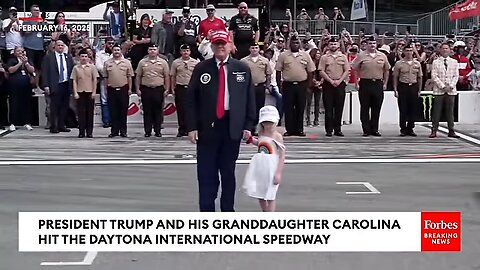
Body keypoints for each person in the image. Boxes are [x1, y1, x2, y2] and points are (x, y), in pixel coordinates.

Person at [185, 30, 256, 212]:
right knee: (206, 173)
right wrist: (191, 126)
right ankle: (207, 210)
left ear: (230, 45)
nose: (220, 47)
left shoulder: (242, 68)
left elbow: (249, 100)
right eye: (217, 44)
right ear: (212, 46)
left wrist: (249, 126)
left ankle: (227, 211)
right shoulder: (202, 68)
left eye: (223, 43)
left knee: (228, 172)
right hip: (208, 127)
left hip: (232, 127)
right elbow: (191, 99)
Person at [243, 105, 285, 212]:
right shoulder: (261, 133)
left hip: (271, 166)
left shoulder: (277, 136)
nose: (268, 125)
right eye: (266, 122)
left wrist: (278, 173)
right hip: (260, 165)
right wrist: (251, 140)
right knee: (260, 192)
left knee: (271, 195)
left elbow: (282, 155)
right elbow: (261, 144)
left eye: (271, 122)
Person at [275, 34, 316, 137]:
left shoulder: (305, 55)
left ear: (300, 44)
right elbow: (278, 71)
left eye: (297, 42)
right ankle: (289, 130)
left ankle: (299, 129)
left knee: (300, 107)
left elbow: (311, 71)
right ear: (290, 44)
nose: (295, 44)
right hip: (288, 85)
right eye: (293, 42)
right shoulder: (283, 55)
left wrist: (309, 85)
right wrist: (279, 85)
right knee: (288, 108)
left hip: (301, 84)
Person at [352, 36, 390, 137]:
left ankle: (375, 129)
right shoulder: (361, 55)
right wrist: (356, 82)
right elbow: (355, 69)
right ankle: (366, 129)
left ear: (376, 44)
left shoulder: (382, 56)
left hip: (377, 83)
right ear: (367, 44)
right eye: (370, 43)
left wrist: (385, 83)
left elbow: (386, 70)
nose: (372, 45)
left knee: (376, 107)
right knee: (364, 107)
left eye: (373, 43)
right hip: (365, 83)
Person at [136, 44, 170, 138]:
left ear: (157, 51)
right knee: (147, 111)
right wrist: (137, 89)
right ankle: (147, 131)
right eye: (150, 49)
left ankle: (157, 130)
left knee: (158, 111)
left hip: (158, 89)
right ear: (147, 51)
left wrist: (167, 89)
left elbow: (167, 76)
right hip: (146, 89)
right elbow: (138, 76)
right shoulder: (142, 62)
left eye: (154, 49)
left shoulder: (163, 62)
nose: (152, 51)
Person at [318, 37, 350, 137]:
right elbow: (321, 71)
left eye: (335, 44)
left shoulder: (343, 57)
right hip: (328, 84)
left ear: (339, 45)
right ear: (328, 45)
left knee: (339, 108)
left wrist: (340, 81)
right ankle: (329, 130)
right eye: (331, 44)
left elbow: (346, 70)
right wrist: (331, 81)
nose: (333, 46)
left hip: (340, 84)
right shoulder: (324, 57)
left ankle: (338, 129)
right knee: (328, 108)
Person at [41, 40, 75, 134]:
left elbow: (72, 71)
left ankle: (61, 125)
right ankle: (53, 126)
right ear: (54, 47)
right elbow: (45, 72)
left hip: (65, 84)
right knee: (54, 107)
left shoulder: (68, 57)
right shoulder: (48, 57)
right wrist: (46, 85)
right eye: (58, 45)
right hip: (54, 85)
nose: (60, 47)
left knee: (64, 106)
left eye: (62, 45)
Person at [430, 43, 460, 139]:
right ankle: (434, 130)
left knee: (450, 112)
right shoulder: (436, 62)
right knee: (436, 111)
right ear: (440, 50)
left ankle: (451, 130)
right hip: (439, 90)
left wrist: (451, 86)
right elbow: (434, 76)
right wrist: (442, 86)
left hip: (451, 90)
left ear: (449, 50)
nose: (445, 50)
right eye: (443, 48)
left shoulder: (454, 62)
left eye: (446, 48)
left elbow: (456, 75)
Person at [241, 42, 272, 134]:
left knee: (260, 107)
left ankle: (258, 127)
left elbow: (268, 75)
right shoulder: (243, 61)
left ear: (259, 49)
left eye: (256, 48)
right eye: (252, 48)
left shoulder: (264, 60)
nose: (254, 49)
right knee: (249, 107)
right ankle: (249, 127)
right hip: (248, 87)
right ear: (249, 49)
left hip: (260, 86)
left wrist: (268, 86)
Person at [393, 43, 423, 137]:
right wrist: (395, 89)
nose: (409, 52)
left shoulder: (417, 63)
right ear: (404, 51)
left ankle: (410, 128)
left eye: (411, 50)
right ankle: (403, 128)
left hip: (413, 86)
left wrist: (419, 90)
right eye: (407, 50)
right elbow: (395, 77)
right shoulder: (399, 63)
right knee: (403, 108)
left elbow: (420, 77)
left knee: (412, 108)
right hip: (403, 86)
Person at [104, 44, 134, 138]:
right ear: (112, 52)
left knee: (123, 111)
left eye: (118, 50)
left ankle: (123, 131)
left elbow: (129, 77)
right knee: (113, 111)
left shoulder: (126, 62)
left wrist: (129, 89)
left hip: (123, 89)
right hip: (111, 89)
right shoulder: (107, 63)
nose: (116, 52)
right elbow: (105, 77)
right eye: (115, 50)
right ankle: (114, 131)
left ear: (121, 51)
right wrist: (105, 89)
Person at [171, 44, 200, 137]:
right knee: (180, 110)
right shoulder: (176, 63)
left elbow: (197, 77)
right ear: (180, 52)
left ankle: (190, 129)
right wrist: (172, 88)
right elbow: (173, 76)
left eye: (187, 51)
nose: (185, 52)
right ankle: (181, 129)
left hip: (192, 88)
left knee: (192, 109)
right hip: (180, 88)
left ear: (190, 52)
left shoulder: (195, 63)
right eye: (183, 51)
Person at [6, 46, 35, 131]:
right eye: (18, 51)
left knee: (26, 104)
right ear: (15, 52)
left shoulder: (27, 59)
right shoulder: (11, 60)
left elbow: (32, 70)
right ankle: (13, 123)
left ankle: (27, 122)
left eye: (22, 51)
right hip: (14, 86)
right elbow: (10, 70)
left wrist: (26, 63)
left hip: (26, 86)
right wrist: (19, 63)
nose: (20, 52)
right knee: (14, 104)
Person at [71, 49, 99, 138]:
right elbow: (74, 80)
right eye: (82, 56)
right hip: (80, 92)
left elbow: (95, 80)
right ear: (79, 57)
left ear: (88, 58)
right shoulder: (76, 68)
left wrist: (94, 91)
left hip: (90, 92)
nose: (84, 58)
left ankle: (89, 132)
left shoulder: (92, 67)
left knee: (90, 113)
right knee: (81, 113)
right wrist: (75, 92)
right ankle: (81, 131)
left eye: (85, 56)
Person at [21, 5, 44, 91]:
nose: (37, 12)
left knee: (38, 68)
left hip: (40, 47)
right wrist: (36, 25)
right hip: (29, 47)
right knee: (30, 67)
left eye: (38, 10)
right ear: (31, 11)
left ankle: (37, 86)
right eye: (35, 10)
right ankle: (31, 86)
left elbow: (45, 32)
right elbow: (25, 32)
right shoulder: (27, 20)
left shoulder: (42, 21)